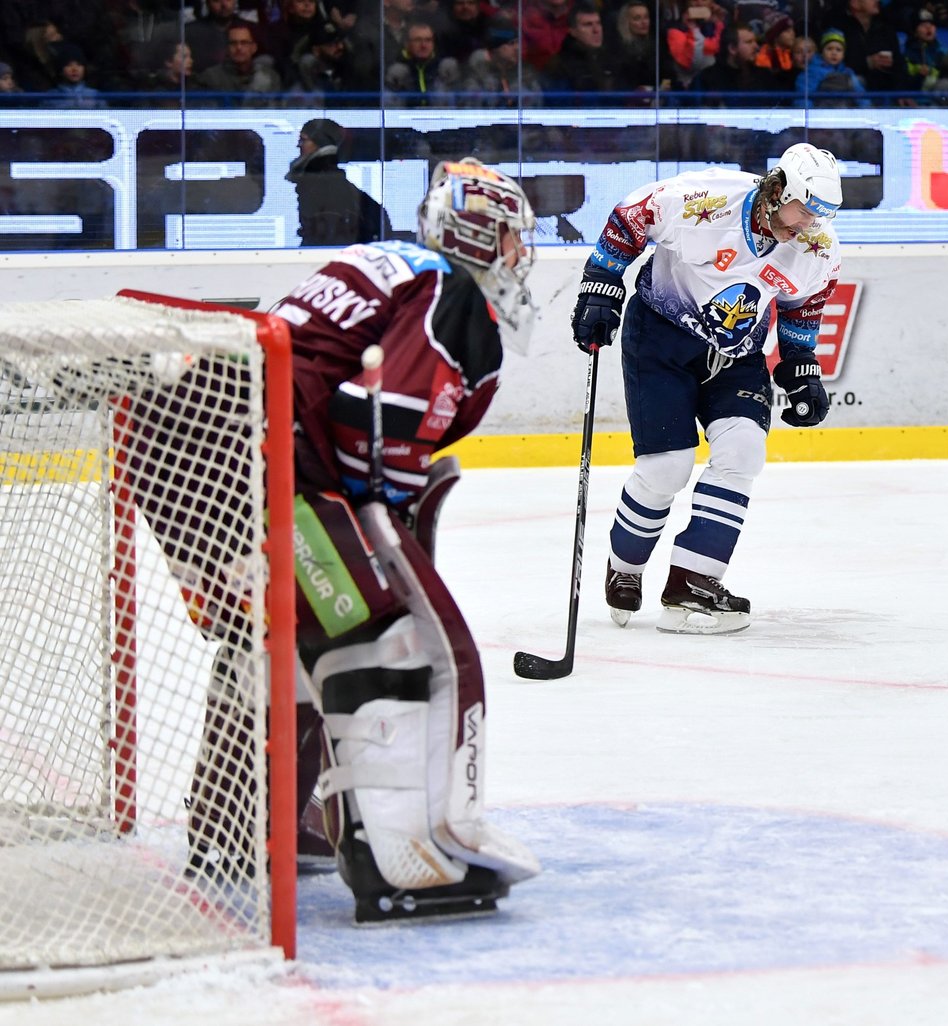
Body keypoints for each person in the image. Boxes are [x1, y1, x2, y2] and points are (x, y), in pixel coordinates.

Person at [264, 157, 541, 920]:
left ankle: (255, 830)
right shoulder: (450, 290)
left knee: (284, 645)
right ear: (483, 236)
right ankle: (396, 867)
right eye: (515, 236)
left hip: (211, 461)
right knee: (380, 638)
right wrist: (388, 528)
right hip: (276, 474)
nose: (522, 253)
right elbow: (374, 419)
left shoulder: (381, 263)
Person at [570, 144, 842, 634]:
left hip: (737, 357)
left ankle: (693, 584)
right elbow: (631, 217)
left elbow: (806, 302)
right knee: (666, 468)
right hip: (659, 341)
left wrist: (800, 362)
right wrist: (600, 282)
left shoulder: (816, 246)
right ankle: (626, 567)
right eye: (804, 210)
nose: (808, 225)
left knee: (742, 451)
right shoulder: (705, 199)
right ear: (778, 189)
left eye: (820, 216)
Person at [286, 117, 393, 245]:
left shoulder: (322, 186)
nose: (299, 145)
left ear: (320, 142)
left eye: (303, 140)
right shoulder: (337, 186)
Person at [198, 21, 283, 103]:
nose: (239, 48)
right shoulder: (210, 77)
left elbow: (273, 112)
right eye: (233, 43)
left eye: (244, 43)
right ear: (227, 48)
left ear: (254, 48)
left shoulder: (270, 77)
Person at [795, 27, 868, 105]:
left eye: (838, 50)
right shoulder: (811, 72)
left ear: (843, 55)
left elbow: (861, 96)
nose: (834, 53)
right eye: (829, 49)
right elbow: (804, 97)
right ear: (822, 52)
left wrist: (867, 110)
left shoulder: (848, 72)